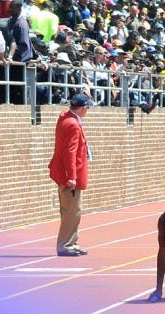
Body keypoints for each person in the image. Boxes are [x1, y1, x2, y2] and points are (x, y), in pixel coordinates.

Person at [48, 93, 93, 256]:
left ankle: (71, 241)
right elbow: (70, 152)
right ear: (81, 108)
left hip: (66, 173)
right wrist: (71, 176)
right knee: (71, 211)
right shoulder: (72, 124)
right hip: (69, 176)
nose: (88, 110)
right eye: (87, 107)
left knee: (74, 211)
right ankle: (65, 244)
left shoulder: (67, 118)